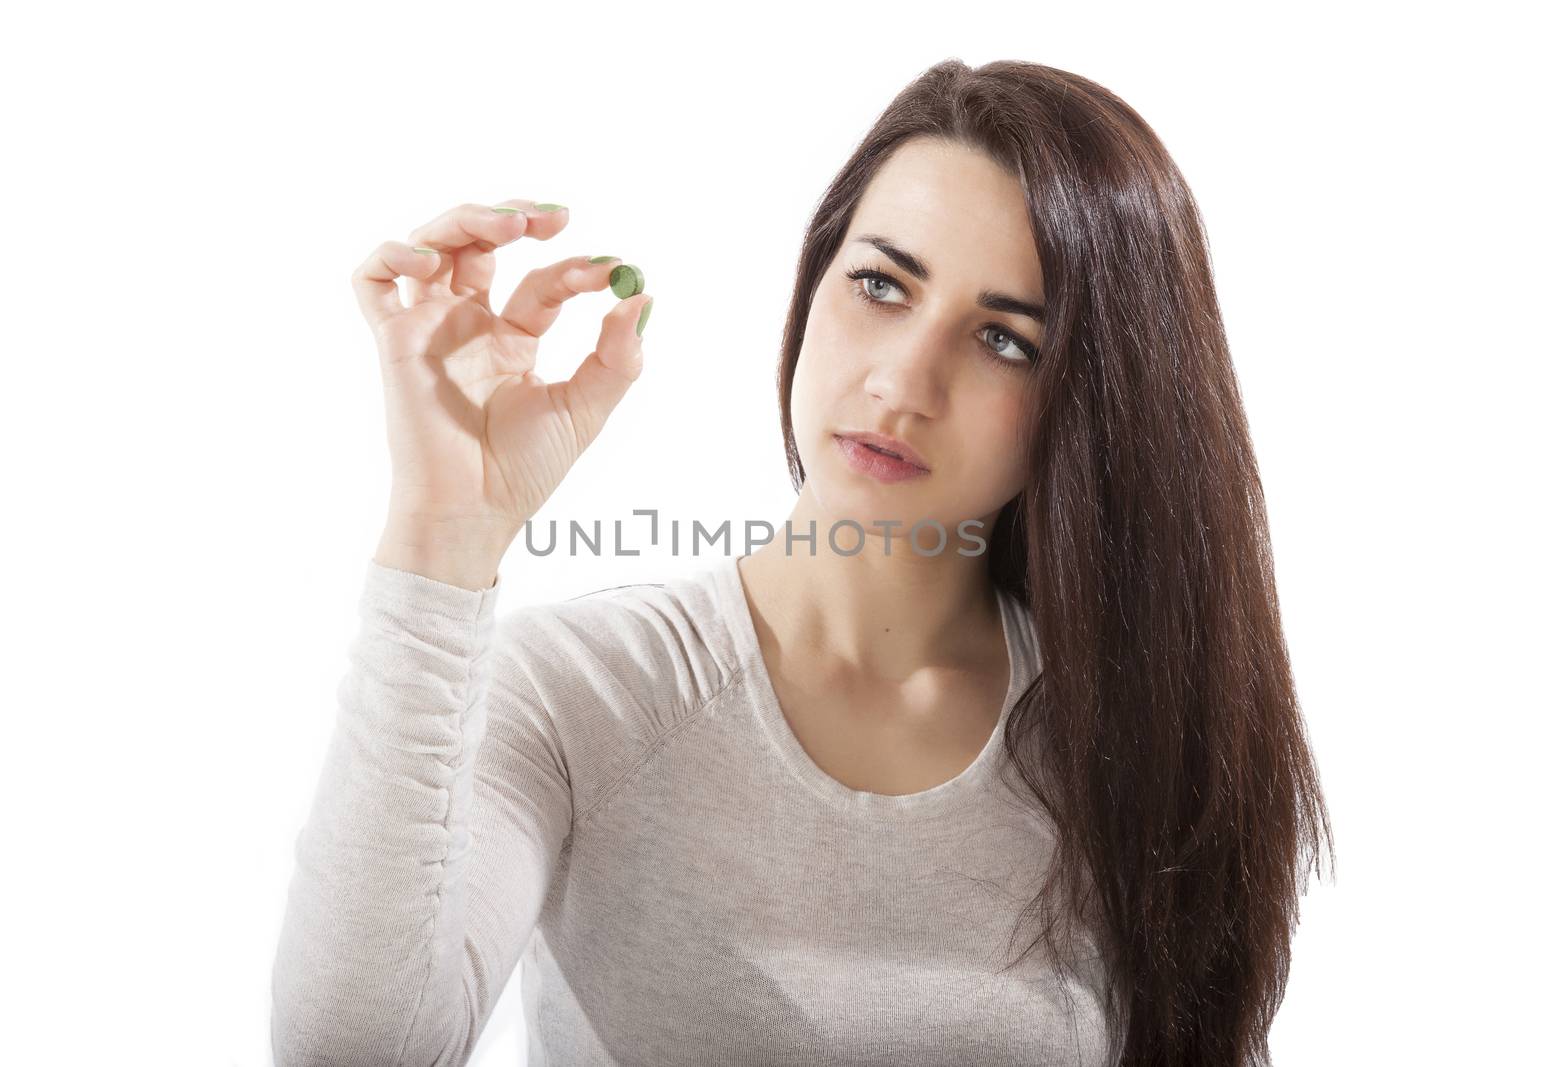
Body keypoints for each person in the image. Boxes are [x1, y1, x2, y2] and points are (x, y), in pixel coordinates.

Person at [270, 58, 1334, 1067]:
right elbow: (357, 1045)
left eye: (1006, 339)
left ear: (1093, 402)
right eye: (880, 284)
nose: (903, 382)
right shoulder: (576, 693)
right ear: (812, 279)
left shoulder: (1136, 733)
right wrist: (443, 526)